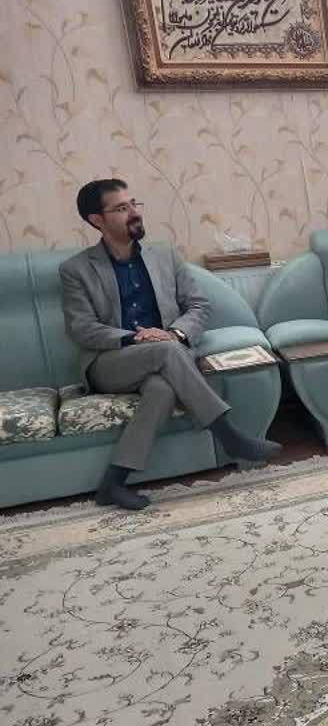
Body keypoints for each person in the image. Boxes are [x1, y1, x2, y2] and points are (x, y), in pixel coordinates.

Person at [61, 178, 282, 510]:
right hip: (111, 362)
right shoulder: (76, 269)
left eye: (134, 204)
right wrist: (135, 337)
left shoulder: (165, 255)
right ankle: (229, 436)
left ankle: (112, 483)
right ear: (97, 220)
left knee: (162, 389)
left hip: (167, 354)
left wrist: (176, 334)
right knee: (165, 351)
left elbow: (198, 306)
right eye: (121, 208)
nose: (134, 212)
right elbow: (82, 328)